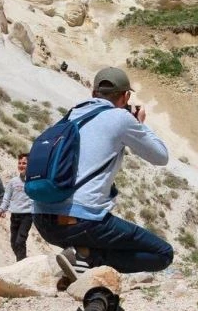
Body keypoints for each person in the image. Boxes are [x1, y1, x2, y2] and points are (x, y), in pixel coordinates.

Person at [33, 67, 173, 280]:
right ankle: (87, 258)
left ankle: (80, 261)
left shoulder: (71, 115)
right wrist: (139, 123)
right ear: (126, 96)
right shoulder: (120, 118)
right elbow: (160, 156)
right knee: (162, 253)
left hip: (43, 221)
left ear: (93, 93)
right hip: (82, 222)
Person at [0, 153, 34, 262]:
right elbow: (6, 198)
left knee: (20, 241)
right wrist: (0, 211)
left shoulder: (34, 182)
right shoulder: (13, 182)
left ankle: (21, 266)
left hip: (27, 216)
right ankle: (22, 262)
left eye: (24, 163)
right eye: (19, 163)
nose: (21, 165)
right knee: (13, 243)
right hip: (15, 216)